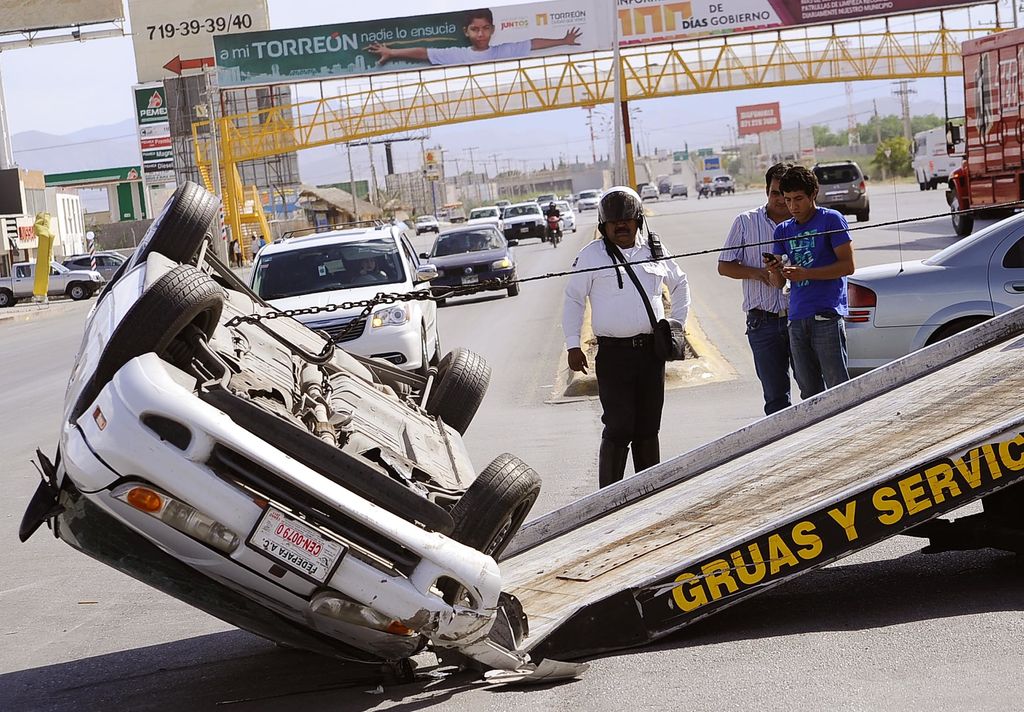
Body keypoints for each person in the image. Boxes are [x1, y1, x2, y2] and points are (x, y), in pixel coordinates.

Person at [562, 186, 690, 488]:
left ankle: (650, 493)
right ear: (603, 226)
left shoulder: (654, 250)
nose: (621, 226)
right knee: (618, 427)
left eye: (627, 220)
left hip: (651, 354)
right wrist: (573, 345)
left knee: (648, 427)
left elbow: (680, 283)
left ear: (638, 221)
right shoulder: (591, 256)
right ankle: (609, 499)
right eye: (614, 222)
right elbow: (573, 299)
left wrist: (677, 326)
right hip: (614, 355)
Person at [766, 165, 855, 400]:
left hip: (826, 316)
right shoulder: (782, 230)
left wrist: (806, 273)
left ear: (813, 194)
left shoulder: (831, 220)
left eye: (798, 199)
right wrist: (775, 270)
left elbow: (847, 266)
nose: (792, 206)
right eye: (787, 200)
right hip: (796, 318)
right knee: (809, 393)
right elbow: (777, 283)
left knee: (838, 388)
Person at [718, 163, 794, 415]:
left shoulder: (804, 222)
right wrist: (758, 273)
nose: (781, 200)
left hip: (799, 319)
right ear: (766, 191)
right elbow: (724, 266)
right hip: (763, 323)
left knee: (813, 390)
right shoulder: (746, 222)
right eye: (775, 193)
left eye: (786, 194)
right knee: (775, 400)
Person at [368, 9, 581, 67]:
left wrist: (563, 41)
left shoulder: (503, 51)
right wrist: (392, 52)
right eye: (475, 29)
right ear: (466, 32)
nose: (481, 34)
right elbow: (424, 52)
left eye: (485, 28)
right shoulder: (456, 55)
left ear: (493, 29)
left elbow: (532, 44)